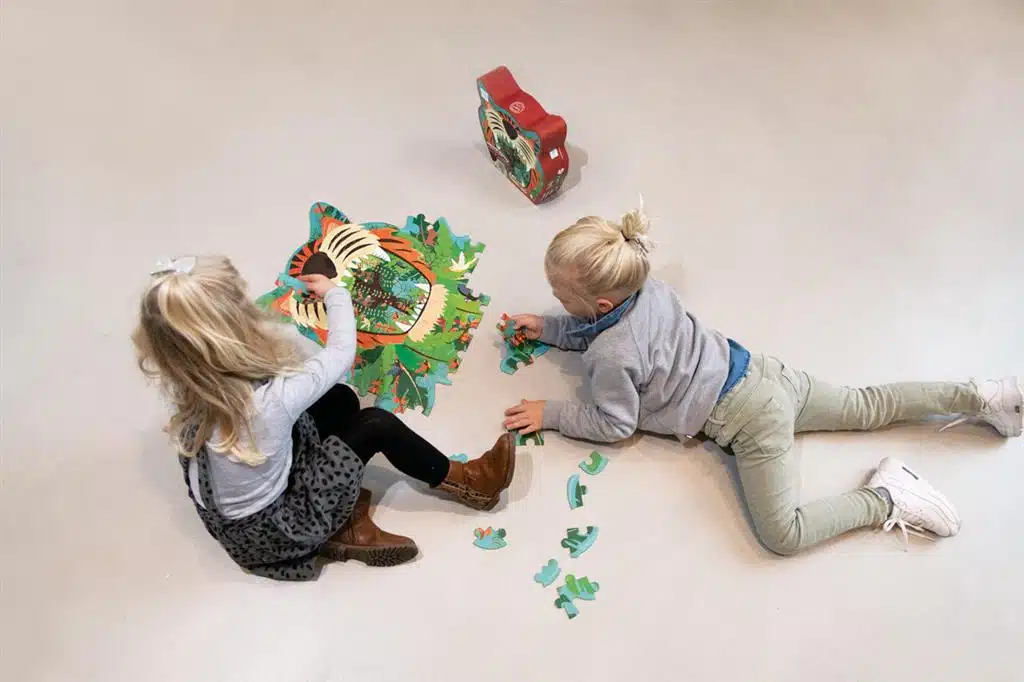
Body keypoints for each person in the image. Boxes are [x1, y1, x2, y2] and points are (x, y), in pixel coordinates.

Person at [502, 209, 1021, 554]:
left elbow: (616, 422)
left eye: (560, 296)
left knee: (784, 536)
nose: (555, 300)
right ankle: (984, 396)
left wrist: (552, 415)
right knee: (868, 405)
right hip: (763, 372)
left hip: (749, 421)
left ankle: (885, 498)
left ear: (600, 303)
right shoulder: (646, 284)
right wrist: (553, 328)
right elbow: (608, 324)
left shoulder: (611, 357)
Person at [133, 255, 515, 581]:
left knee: (340, 400)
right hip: (281, 529)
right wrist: (334, 293)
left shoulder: (190, 383)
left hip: (238, 524)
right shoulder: (270, 402)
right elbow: (340, 353)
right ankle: (473, 484)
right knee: (375, 425)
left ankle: (342, 515)